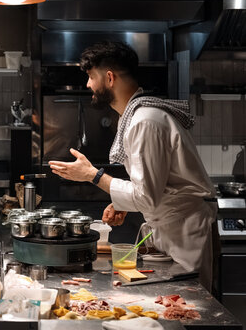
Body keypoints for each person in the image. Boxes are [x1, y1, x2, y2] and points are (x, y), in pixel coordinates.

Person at [48, 41, 218, 291]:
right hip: (175, 229)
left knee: (187, 311)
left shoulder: (145, 121)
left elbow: (146, 197)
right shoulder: (140, 117)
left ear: (109, 78)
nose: (88, 85)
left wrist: (93, 175)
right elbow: (151, 188)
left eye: (91, 77)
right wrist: (122, 202)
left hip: (186, 234)